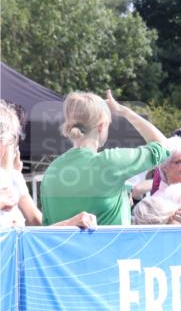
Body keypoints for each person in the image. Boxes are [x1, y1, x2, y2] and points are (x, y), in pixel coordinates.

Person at [40, 91, 169, 226]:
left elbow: (48, 226)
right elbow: (164, 146)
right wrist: (124, 111)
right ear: (101, 126)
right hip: (110, 247)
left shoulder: (51, 171)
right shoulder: (110, 162)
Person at [0, 100, 96, 229]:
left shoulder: (13, 177)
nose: (16, 146)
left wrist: (70, 223)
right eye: (14, 138)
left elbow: (37, 224)